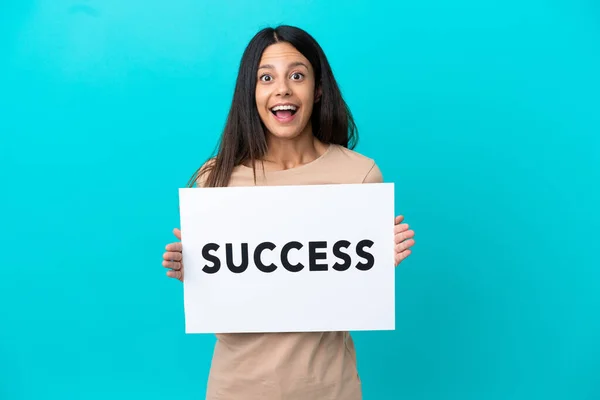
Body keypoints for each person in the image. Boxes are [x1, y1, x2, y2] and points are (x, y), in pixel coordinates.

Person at [161, 25, 416, 400]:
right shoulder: (215, 178)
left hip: (331, 388)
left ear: (318, 90)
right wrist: (195, 274)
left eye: (297, 75)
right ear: (251, 93)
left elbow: (348, 295)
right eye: (266, 78)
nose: (282, 89)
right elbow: (228, 296)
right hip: (236, 387)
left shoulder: (359, 176)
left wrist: (377, 265)